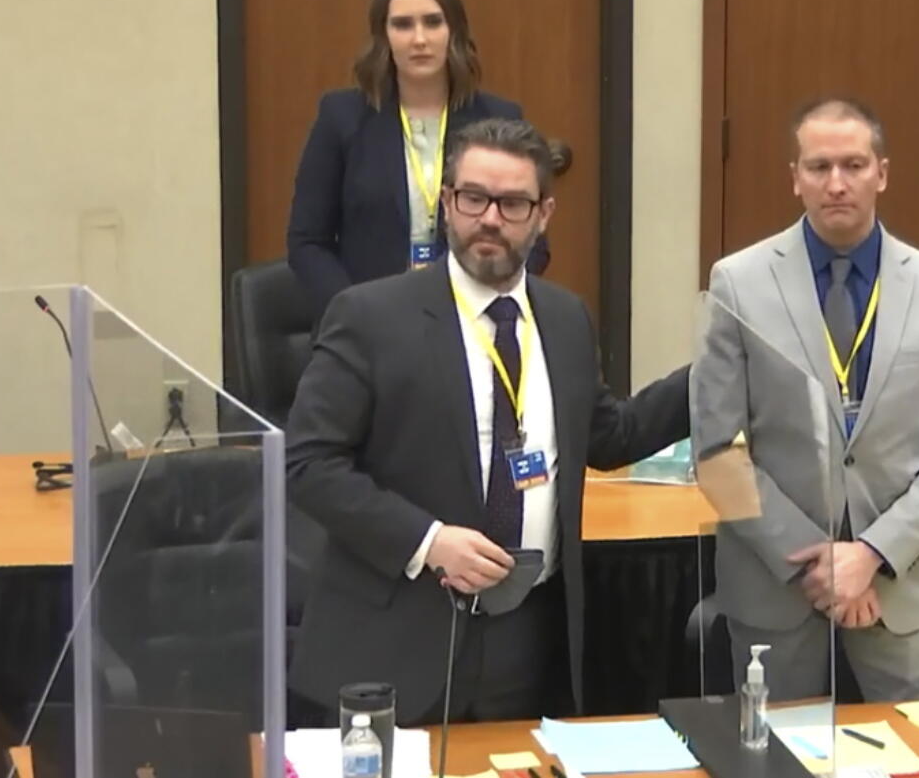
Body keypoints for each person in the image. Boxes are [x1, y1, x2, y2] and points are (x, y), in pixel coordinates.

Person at [285, 118, 689, 725]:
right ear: (447, 203)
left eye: (513, 203)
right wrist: (429, 542)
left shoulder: (565, 318)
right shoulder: (370, 316)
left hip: (527, 636)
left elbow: (608, 437)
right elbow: (308, 464)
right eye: (473, 198)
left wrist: (714, 373)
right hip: (397, 637)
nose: (490, 218)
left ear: (543, 213)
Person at [693, 97, 919, 702]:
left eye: (853, 166)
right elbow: (717, 455)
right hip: (777, 585)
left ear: (882, 173)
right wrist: (816, 563)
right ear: (795, 178)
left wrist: (872, 555)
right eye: (819, 166)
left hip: (899, 582)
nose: (836, 183)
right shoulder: (738, 283)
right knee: (773, 763)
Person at [286, 0, 550, 319]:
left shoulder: (498, 119)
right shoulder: (341, 117)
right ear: (384, 35)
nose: (419, 39)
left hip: (470, 320)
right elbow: (307, 243)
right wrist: (356, 312)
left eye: (433, 22)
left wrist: (484, 298)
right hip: (367, 324)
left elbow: (533, 243)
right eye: (403, 25)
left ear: (453, 30)